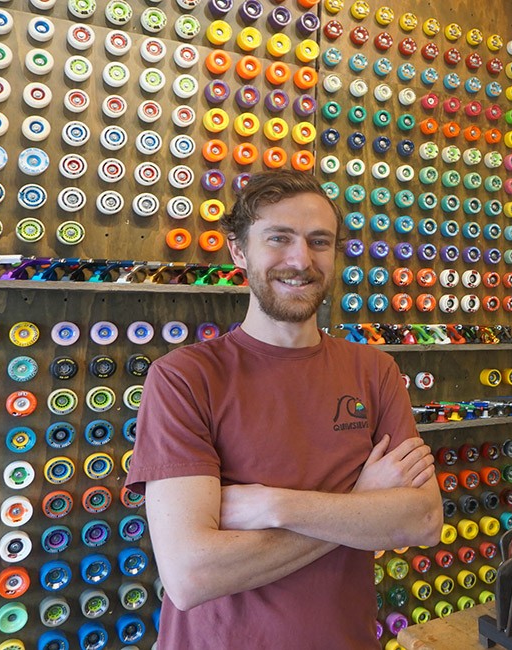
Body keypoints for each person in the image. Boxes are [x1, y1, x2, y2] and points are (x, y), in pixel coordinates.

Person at [125, 170, 443, 649]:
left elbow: (422, 520)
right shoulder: (184, 378)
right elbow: (191, 573)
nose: (300, 260)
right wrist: (359, 508)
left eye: (319, 242)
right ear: (238, 249)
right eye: (279, 238)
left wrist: (275, 504)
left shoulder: (374, 371)